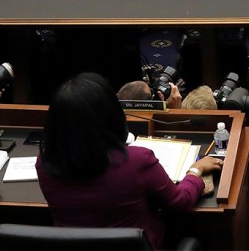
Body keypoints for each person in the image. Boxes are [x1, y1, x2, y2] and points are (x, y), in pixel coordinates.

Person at [37, 72, 222, 249]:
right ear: (111, 114)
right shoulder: (137, 161)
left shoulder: (46, 162)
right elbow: (180, 201)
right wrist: (195, 171)